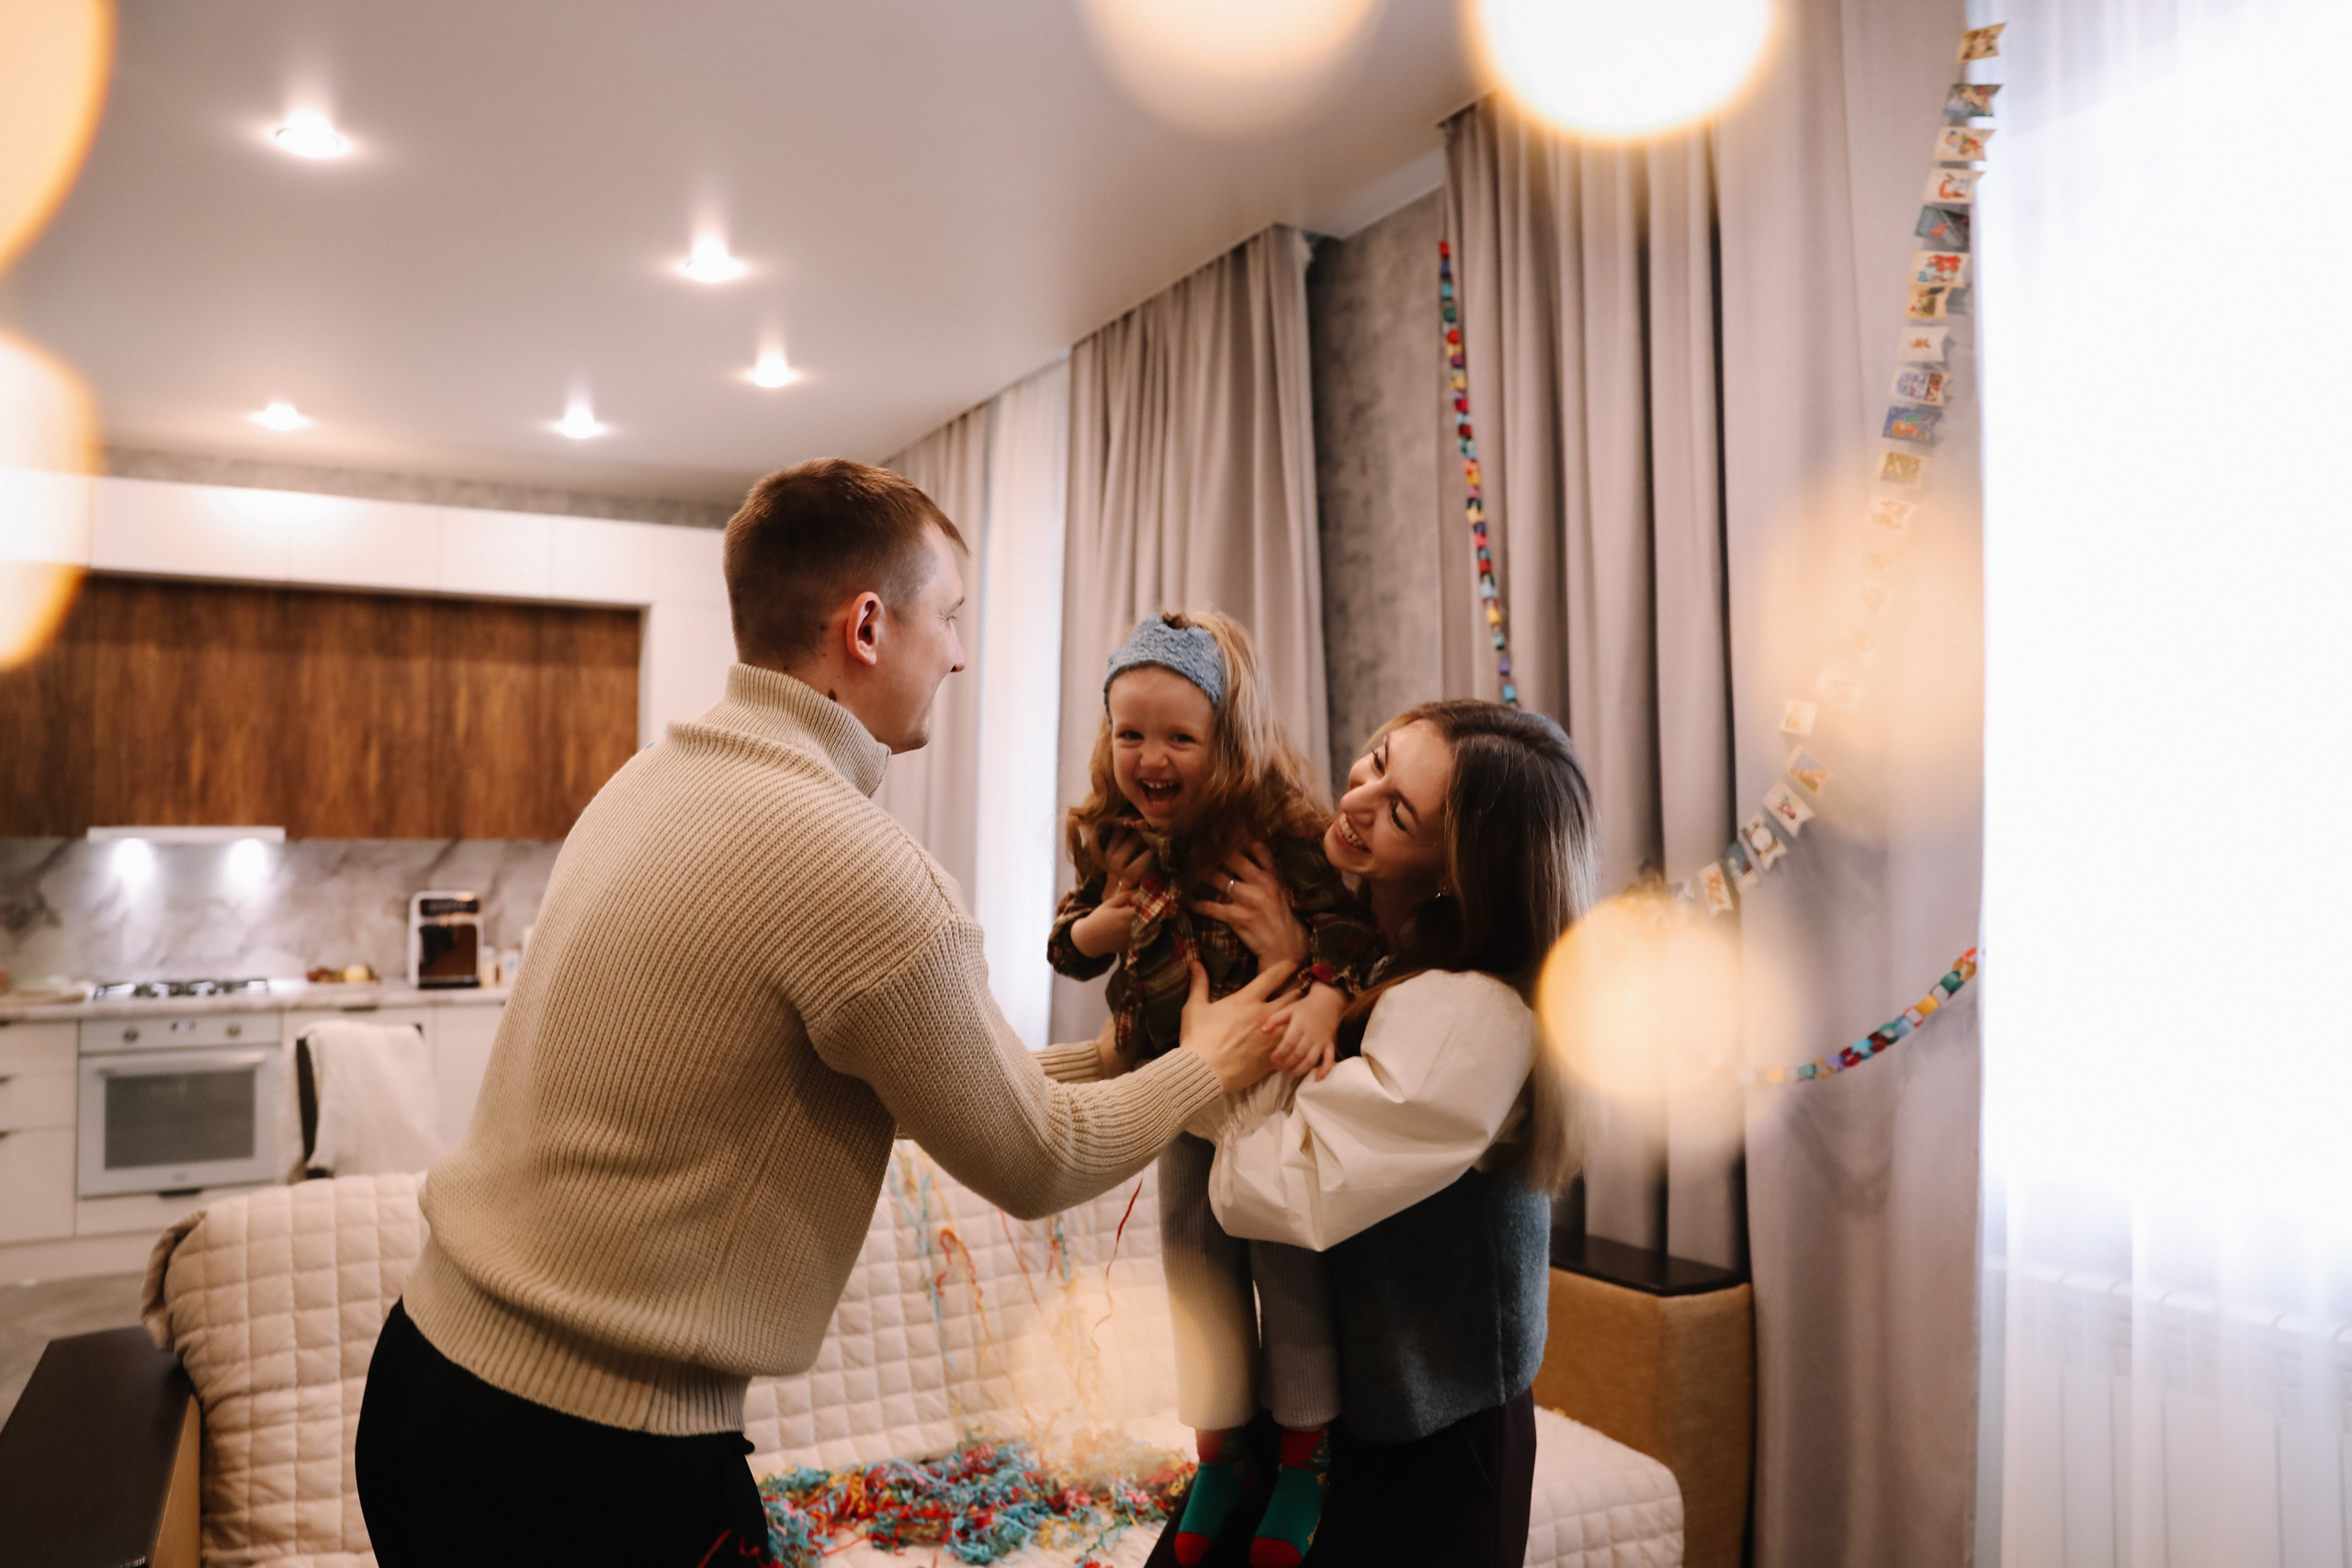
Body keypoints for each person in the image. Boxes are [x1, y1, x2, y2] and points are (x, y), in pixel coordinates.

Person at [355, 459, 1288, 1568]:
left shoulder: (647, 779)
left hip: (424, 1381)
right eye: (946, 618)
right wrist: (1211, 1062)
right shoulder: (859, 868)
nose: (954, 652)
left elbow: (886, 1078)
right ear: (866, 625)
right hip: (589, 1454)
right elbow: (1035, 1163)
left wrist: (1115, 1058)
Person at [1158, 699, 1599, 1568]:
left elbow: (1276, 1189)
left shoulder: (1470, 1017)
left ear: (1459, 874)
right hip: (1306, 1416)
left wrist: (1210, 1047)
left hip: (1423, 1442)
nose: (1356, 797)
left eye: (1399, 812)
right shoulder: (1357, 938)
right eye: (1376, 760)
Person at [1048, 611, 1383, 1568]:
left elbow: (1352, 934)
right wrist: (1101, 925)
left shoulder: (1279, 825)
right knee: (1193, 1266)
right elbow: (1064, 944)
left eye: (1178, 739)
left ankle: (1303, 1459)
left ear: (1226, 740)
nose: (1150, 760)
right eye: (1129, 735)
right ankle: (1220, 1454)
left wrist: (1321, 999)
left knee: (1284, 1268)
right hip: (1172, 1084)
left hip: (1264, 1080)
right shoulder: (1109, 829)